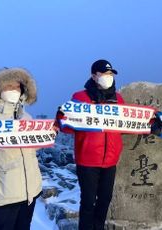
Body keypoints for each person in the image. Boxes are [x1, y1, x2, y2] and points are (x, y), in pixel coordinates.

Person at [56, 59, 124, 230]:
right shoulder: (80, 97)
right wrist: (62, 117)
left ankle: (98, 227)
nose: (108, 77)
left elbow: (127, 123)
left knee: (105, 199)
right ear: (94, 76)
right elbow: (68, 128)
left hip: (110, 159)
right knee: (88, 201)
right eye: (103, 74)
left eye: (110, 74)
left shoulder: (119, 99)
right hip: (87, 160)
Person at [0, 67, 42, 230]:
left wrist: (48, 134)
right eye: (8, 86)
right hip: (1, 198)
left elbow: (30, 149)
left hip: (29, 194)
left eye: (17, 86)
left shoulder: (26, 117)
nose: (14, 90)